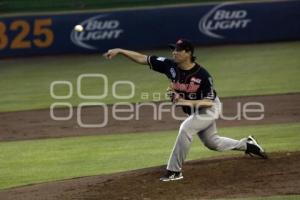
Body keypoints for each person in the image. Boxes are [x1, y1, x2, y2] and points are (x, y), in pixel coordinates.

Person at [103, 39, 267, 182]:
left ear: (188, 53)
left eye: (178, 50)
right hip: (194, 110)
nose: (174, 53)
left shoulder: (202, 75)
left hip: (209, 108)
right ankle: (248, 145)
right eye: (173, 50)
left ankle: (174, 171)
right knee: (213, 143)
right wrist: (120, 51)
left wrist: (183, 100)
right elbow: (143, 58)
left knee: (186, 128)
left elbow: (208, 103)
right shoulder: (169, 66)